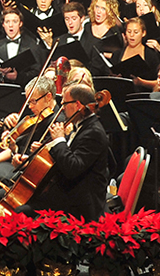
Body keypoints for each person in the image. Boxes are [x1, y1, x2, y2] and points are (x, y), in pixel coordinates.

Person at [23, 82, 115, 220]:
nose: (63, 108)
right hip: (68, 194)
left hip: (79, 206)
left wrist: (59, 140)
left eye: (65, 104)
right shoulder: (81, 126)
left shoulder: (93, 132)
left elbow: (72, 168)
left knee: (21, 213)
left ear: (77, 105)